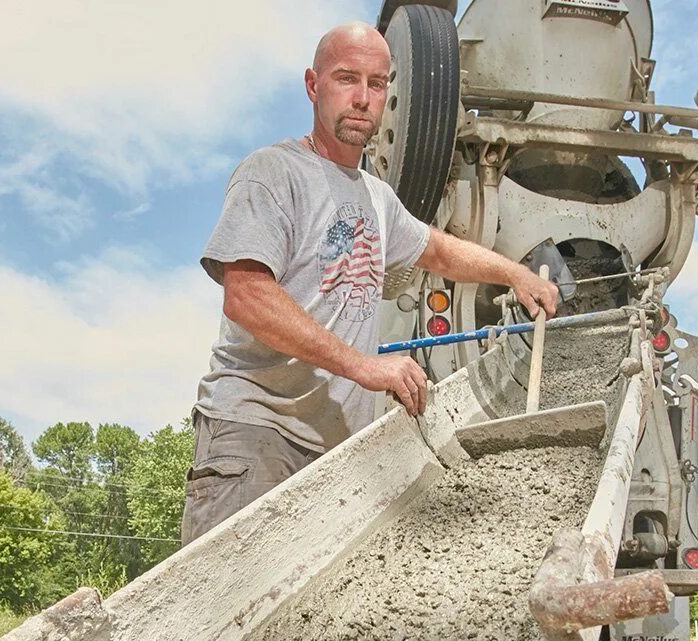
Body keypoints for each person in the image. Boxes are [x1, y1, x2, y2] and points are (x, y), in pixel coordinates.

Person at [181, 20, 559, 545]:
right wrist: (362, 365)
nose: (362, 98)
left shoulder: (377, 199)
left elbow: (440, 249)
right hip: (258, 432)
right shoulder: (272, 173)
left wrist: (514, 273)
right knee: (229, 610)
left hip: (338, 453)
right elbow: (247, 296)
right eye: (346, 79)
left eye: (377, 84)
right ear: (313, 85)